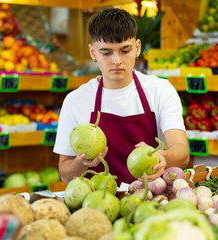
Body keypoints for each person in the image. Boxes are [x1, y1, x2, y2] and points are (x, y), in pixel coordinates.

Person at [53, 7, 189, 186]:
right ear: (93, 53)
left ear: (137, 48)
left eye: (125, 51)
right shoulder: (75, 100)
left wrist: (161, 156)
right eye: (106, 53)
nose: (116, 61)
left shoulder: (160, 90)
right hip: (98, 204)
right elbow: (65, 174)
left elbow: (182, 153)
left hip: (148, 198)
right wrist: (81, 164)